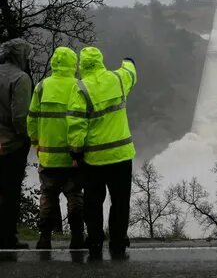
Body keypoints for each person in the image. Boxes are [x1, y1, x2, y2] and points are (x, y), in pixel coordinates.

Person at [67, 47, 136, 259]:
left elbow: (76, 125)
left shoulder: (81, 89)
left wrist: (76, 153)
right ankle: (118, 241)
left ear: (81, 65)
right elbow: (131, 72)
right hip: (121, 156)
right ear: (101, 61)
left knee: (93, 202)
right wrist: (128, 59)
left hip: (94, 159)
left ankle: (95, 240)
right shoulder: (117, 79)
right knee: (120, 201)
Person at [27, 47, 85, 249]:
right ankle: (77, 237)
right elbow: (82, 121)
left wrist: (36, 143)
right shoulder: (78, 87)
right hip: (72, 156)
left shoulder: (42, 87)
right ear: (73, 64)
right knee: (75, 194)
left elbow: (32, 120)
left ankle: (44, 238)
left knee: (47, 196)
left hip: (48, 156)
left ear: (54, 63)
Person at [0, 38, 33, 249]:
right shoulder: (21, 78)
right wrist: (26, 136)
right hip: (11, 145)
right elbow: (20, 116)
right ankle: (7, 238)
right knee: (10, 192)